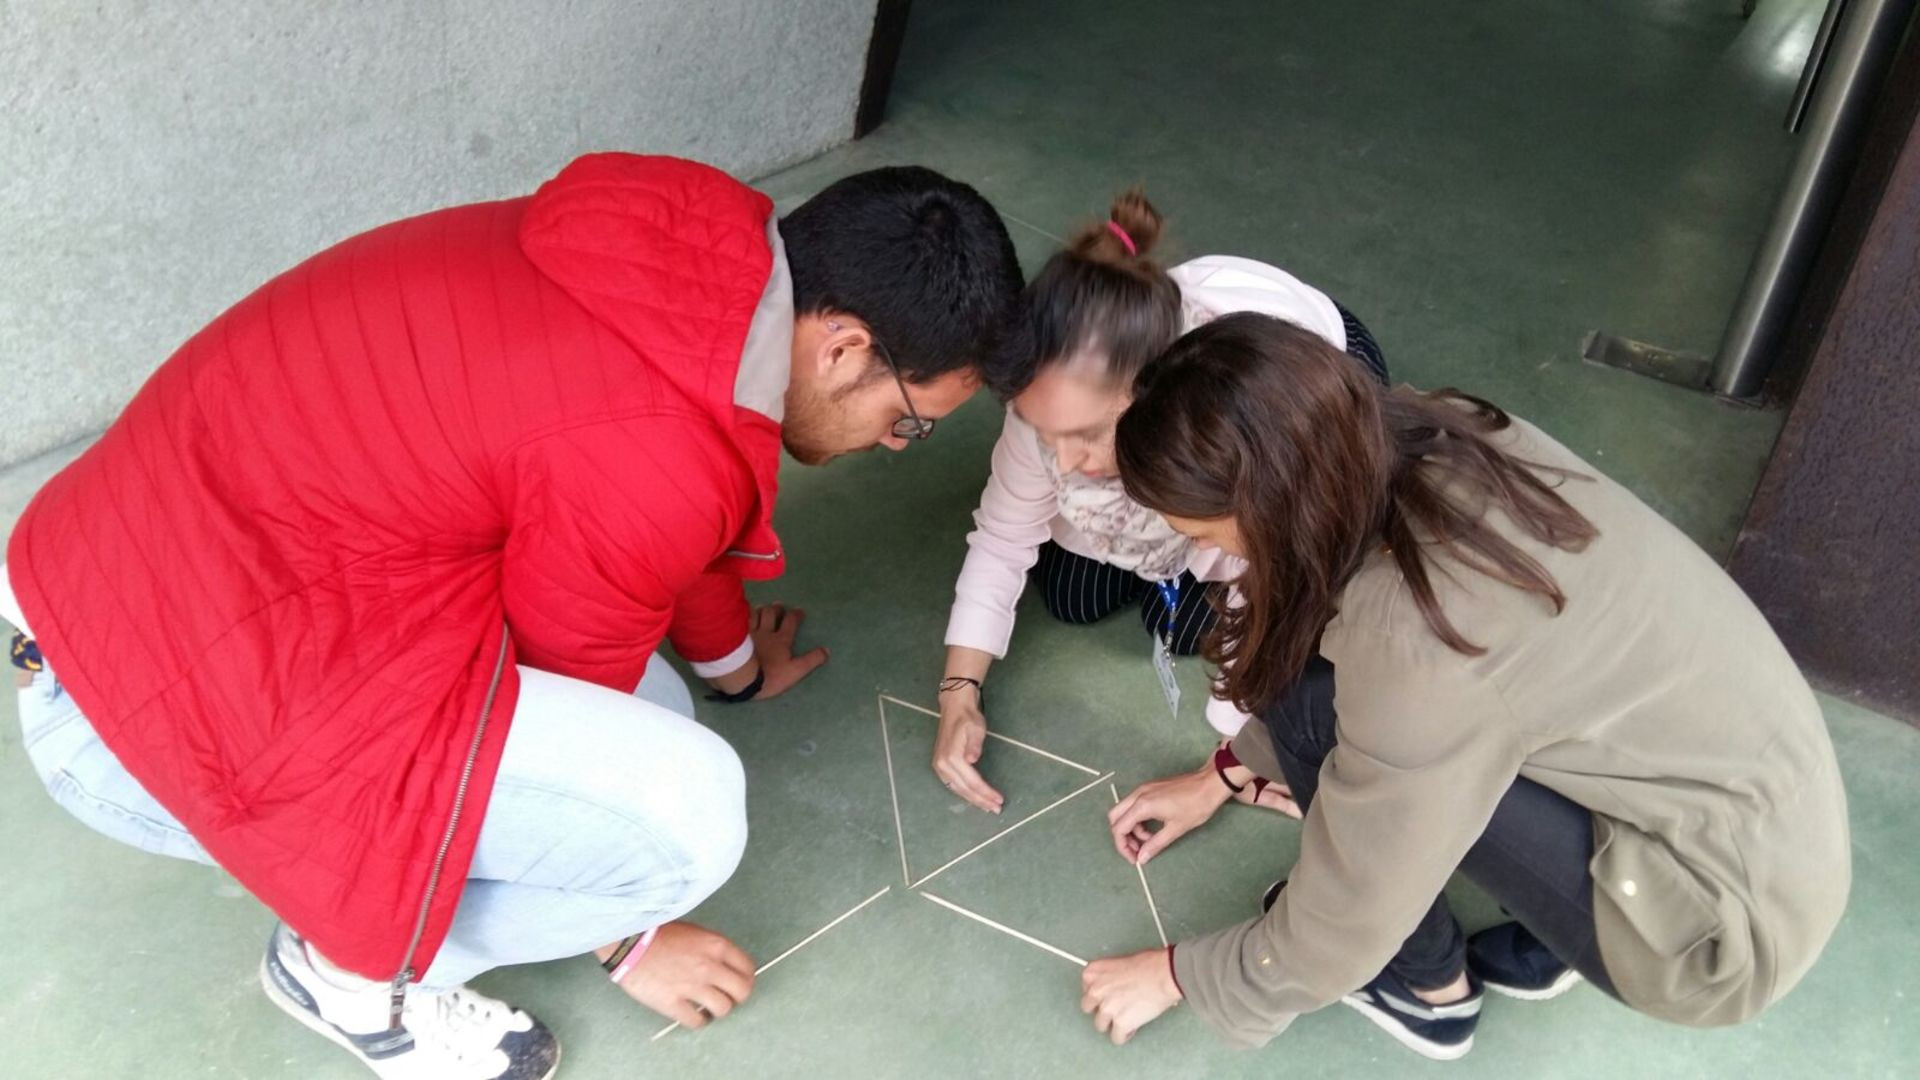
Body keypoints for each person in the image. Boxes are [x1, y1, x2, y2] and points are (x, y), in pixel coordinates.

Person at [4, 152, 1022, 1079]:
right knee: (684, 821)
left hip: (134, 562)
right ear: (844, 348)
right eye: (911, 421)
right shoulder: (654, 449)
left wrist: (731, 668)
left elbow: (682, 513)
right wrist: (626, 933)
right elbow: (623, 573)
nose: (895, 443)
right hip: (127, 711)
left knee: (663, 705)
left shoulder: (696, 257)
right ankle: (349, 979)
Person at [1077, 313, 1850, 1059]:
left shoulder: (1420, 642)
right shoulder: (1434, 428)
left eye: (1207, 535)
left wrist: (1182, 976)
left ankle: (1428, 992)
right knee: (1354, 685)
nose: (1213, 557)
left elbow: (1350, 911)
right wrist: (1225, 772)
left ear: (1274, 507)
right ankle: (1558, 933)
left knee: (1312, 704)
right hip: (1766, 820)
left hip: (1717, 937)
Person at [933, 190, 1388, 816]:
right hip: (1183, 455)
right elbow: (1002, 537)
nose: (1063, 462)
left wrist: (1226, 769)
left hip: (1320, 386)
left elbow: (1275, 578)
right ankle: (1175, 561)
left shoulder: (1237, 435)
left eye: (1083, 436)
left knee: (1209, 623)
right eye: (1045, 434)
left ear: (1151, 396)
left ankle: (1185, 563)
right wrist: (959, 689)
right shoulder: (1049, 394)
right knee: (1073, 596)